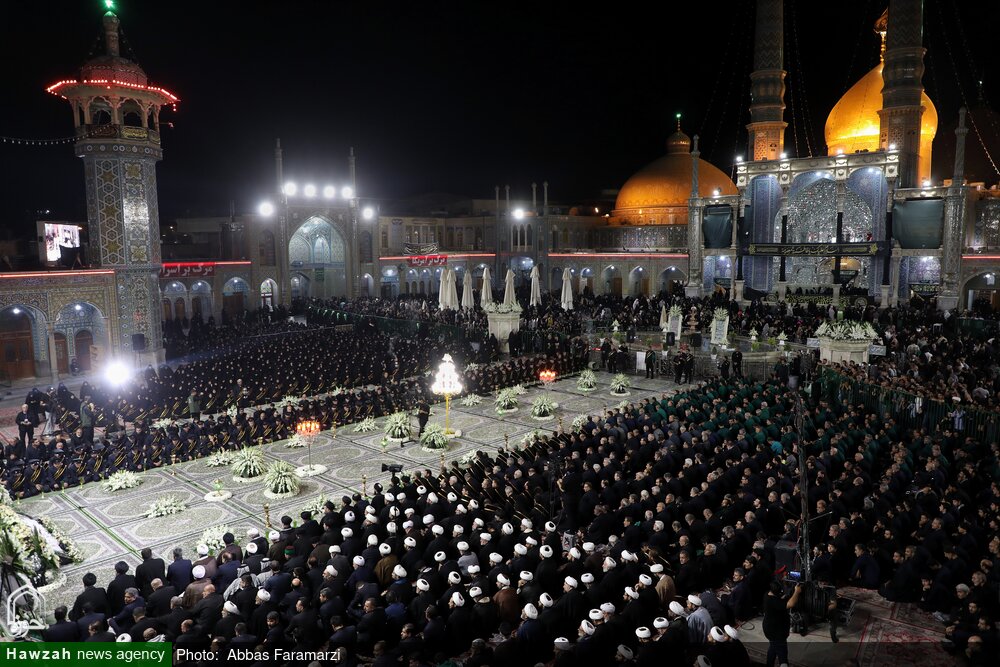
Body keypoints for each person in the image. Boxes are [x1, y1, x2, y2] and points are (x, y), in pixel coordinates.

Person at [763, 581, 802, 667]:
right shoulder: (774, 602)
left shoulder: (767, 594)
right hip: (777, 633)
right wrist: (796, 591)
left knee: (773, 647)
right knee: (783, 655)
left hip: (770, 630)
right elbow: (790, 604)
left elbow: (780, 598)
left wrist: (784, 596)